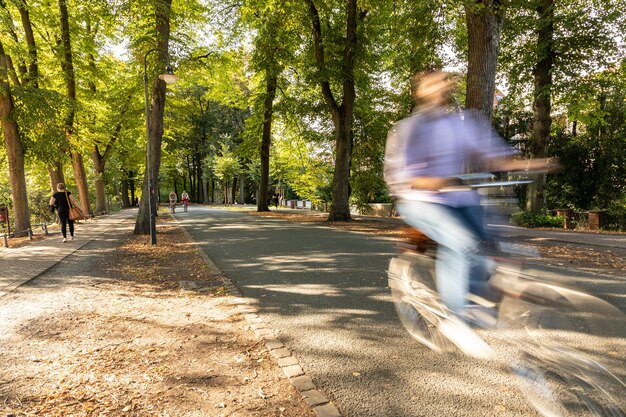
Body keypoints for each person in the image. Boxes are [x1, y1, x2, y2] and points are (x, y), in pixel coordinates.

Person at [384, 71, 552, 325]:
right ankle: (456, 315)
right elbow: (400, 175)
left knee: (490, 242)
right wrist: (433, 182)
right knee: (460, 243)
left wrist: (532, 163)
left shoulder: (461, 124)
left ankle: (482, 293)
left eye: (445, 81)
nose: (443, 85)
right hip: (417, 200)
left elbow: (491, 156)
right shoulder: (408, 128)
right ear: (419, 92)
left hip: (456, 197)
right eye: (434, 82)